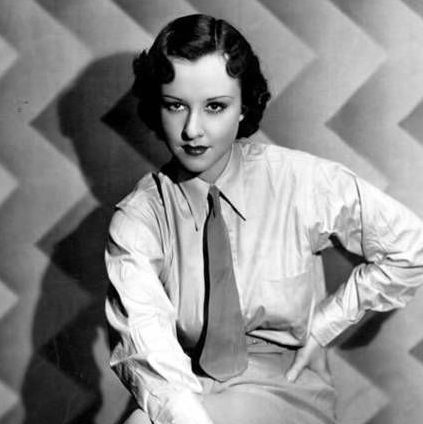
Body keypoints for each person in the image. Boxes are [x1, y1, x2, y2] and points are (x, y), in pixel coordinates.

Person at [105, 14, 423, 424]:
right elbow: (146, 343)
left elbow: (410, 247)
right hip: (183, 379)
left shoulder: (299, 180)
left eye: (215, 106)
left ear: (243, 108)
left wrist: (324, 325)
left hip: (281, 383)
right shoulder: (139, 216)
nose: (192, 129)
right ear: (157, 106)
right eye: (176, 105)